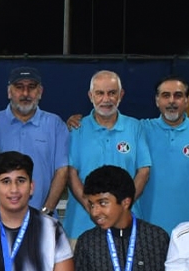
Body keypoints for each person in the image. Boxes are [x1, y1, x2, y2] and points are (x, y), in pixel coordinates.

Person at [63, 70, 152, 242]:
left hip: (126, 225)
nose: (106, 99)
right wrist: (92, 208)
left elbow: (143, 171)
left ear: (121, 95)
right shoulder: (76, 129)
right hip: (81, 226)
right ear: (90, 96)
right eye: (100, 93)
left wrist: (122, 207)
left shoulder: (135, 127)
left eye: (112, 93)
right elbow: (71, 173)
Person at [135, 76, 189, 233]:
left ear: (187, 101)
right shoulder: (141, 130)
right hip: (149, 230)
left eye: (178, 95)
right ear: (157, 101)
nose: (172, 101)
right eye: (166, 95)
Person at [0, 66, 70, 215]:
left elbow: (62, 171)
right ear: (9, 92)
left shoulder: (55, 125)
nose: (25, 93)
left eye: (31, 87)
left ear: (40, 92)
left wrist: (46, 212)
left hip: (44, 217)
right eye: (19, 87)